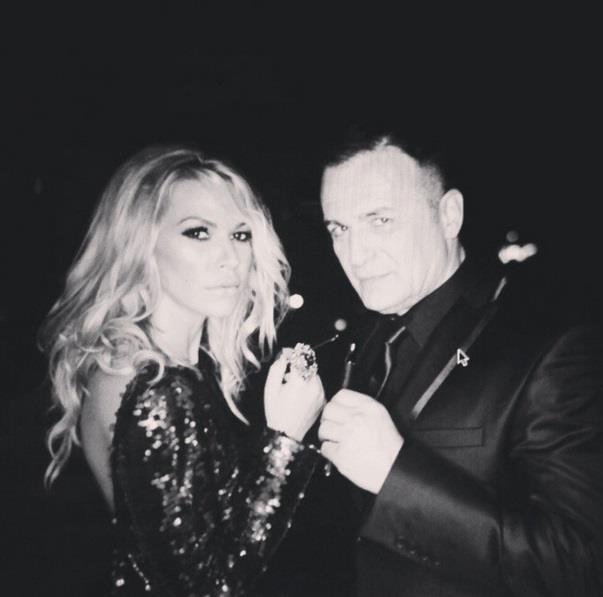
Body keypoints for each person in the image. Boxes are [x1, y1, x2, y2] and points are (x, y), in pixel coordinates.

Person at [317, 123, 603, 596]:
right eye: (339, 229)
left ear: (449, 215)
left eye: (380, 220)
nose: (355, 254)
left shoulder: (550, 343)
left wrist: (396, 476)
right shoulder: (368, 340)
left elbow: (583, 565)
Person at [40, 145, 325, 596]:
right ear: (141, 245)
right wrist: (284, 441)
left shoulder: (128, 366)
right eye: (198, 233)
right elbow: (209, 586)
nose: (230, 258)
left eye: (240, 235)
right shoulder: (158, 389)